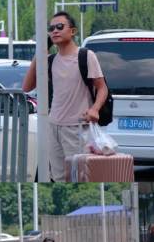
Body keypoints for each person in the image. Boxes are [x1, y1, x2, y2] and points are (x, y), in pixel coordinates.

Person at [22, 11, 108, 182]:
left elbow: (102, 87)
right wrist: (40, 51)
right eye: (51, 28)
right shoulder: (51, 60)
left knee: (78, 177)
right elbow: (27, 86)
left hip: (76, 127)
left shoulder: (86, 56)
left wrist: (95, 109)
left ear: (73, 31)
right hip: (53, 127)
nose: (54, 31)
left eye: (60, 27)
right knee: (59, 178)